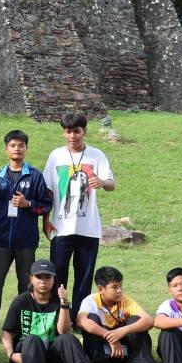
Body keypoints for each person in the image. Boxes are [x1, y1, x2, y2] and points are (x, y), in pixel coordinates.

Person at [1, 258, 101, 363]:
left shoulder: (58, 301)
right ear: (31, 279)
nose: (43, 281)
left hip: (53, 355)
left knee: (68, 338)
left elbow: (63, 330)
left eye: (47, 277)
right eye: (39, 277)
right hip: (28, 355)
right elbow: (6, 332)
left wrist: (64, 304)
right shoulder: (21, 301)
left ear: (54, 280)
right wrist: (11, 354)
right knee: (32, 338)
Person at [43, 111, 115, 315]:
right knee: (58, 274)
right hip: (60, 227)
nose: (72, 136)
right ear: (63, 133)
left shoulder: (96, 155)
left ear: (85, 132)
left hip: (88, 228)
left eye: (76, 131)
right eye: (68, 132)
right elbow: (48, 191)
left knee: (84, 276)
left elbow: (111, 184)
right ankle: (59, 315)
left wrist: (101, 182)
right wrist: (46, 220)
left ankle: (79, 318)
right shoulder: (56, 156)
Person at [0, 130, 52, 322]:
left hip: (26, 241)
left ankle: (24, 324)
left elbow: (46, 205)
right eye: (13, 145)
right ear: (6, 149)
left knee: (26, 283)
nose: (17, 149)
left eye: (21, 145)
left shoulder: (35, 176)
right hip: (1, 240)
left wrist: (27, 204)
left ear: (26, 149)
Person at [76, 265, 159, 363]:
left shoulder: (125, 301)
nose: (119, 290)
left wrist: (121, 331)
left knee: (136, 320)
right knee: (91, 319)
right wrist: (110, 336)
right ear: (101, 289)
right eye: (114, 287)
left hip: (124, 352)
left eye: (120, 286)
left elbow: (149, 320)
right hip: (103, 351)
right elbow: (81, 321)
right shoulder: (91, 301)